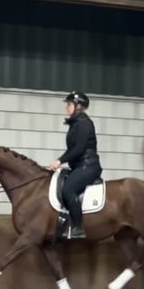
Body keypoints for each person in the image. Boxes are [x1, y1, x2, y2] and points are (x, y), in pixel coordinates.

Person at [48, 91, 103, 239]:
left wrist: (60, 160)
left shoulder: (84, 123)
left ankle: (78, 227)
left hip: (88, 166)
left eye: (69, 104)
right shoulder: (76, 123)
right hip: (79, 165)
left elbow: (79, 149)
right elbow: (72, 150)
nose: (67, 107)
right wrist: (63, 162)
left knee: (68, 189)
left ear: (79, 106)